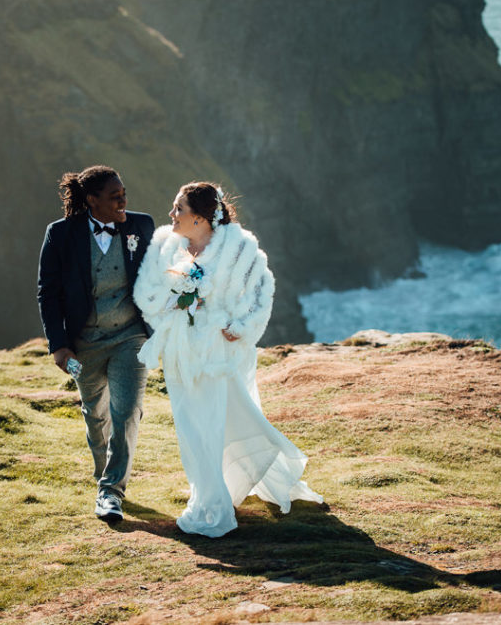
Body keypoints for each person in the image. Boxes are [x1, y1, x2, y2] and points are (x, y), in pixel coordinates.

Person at [132, 181, 322, 537]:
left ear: (202, 219)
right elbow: (146, 292)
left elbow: (261, 294)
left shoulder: (240, 250)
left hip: (219, 352)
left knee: (217, 421)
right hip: (180, 351)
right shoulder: (163, 246)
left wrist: (240, 327)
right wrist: (175, 307)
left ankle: (213, 500)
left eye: (179, 209)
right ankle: (207, 487)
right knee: (190, 425)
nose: (171, 215)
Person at [37, 165, 156, 523]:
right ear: (92, 200)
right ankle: (104, 471)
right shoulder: (60, 234)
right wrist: (58, 345)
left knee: (127, 410)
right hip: (82, 344)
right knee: (95, 413)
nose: (123, 200)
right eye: (114, 195)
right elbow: (48, 293)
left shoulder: (141, 225)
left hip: (131, 336)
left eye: (124, 193)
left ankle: (111, 491)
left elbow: (160, 272)